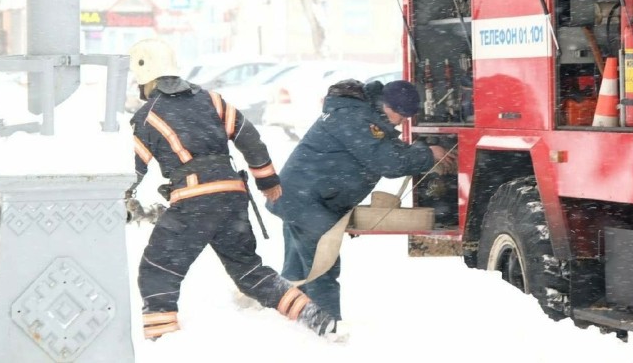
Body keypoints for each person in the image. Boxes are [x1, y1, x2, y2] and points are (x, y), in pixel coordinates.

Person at [126, 38, 336, 340]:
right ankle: (311, 314)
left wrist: (114, 201)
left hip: (193, 202)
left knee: (158, 270)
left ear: (146, 76)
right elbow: (249, 137)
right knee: (249, 271)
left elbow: (132, 170)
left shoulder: (147, 116)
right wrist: (268, 181)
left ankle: (162, 343)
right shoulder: (211, 99)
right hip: (231, 197)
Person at [266, 78, 455, 326]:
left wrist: (422, 153)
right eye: (402, 116)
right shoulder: (355, 119)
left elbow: (391, 151)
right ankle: (324, 328)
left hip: (301, 199)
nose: (402, 122)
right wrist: (428, 154)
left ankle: (289, 322)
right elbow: (388, 162)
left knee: (299, 270)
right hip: (305, 202)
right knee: (322, 268)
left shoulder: (365, 117)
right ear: (388, 106)